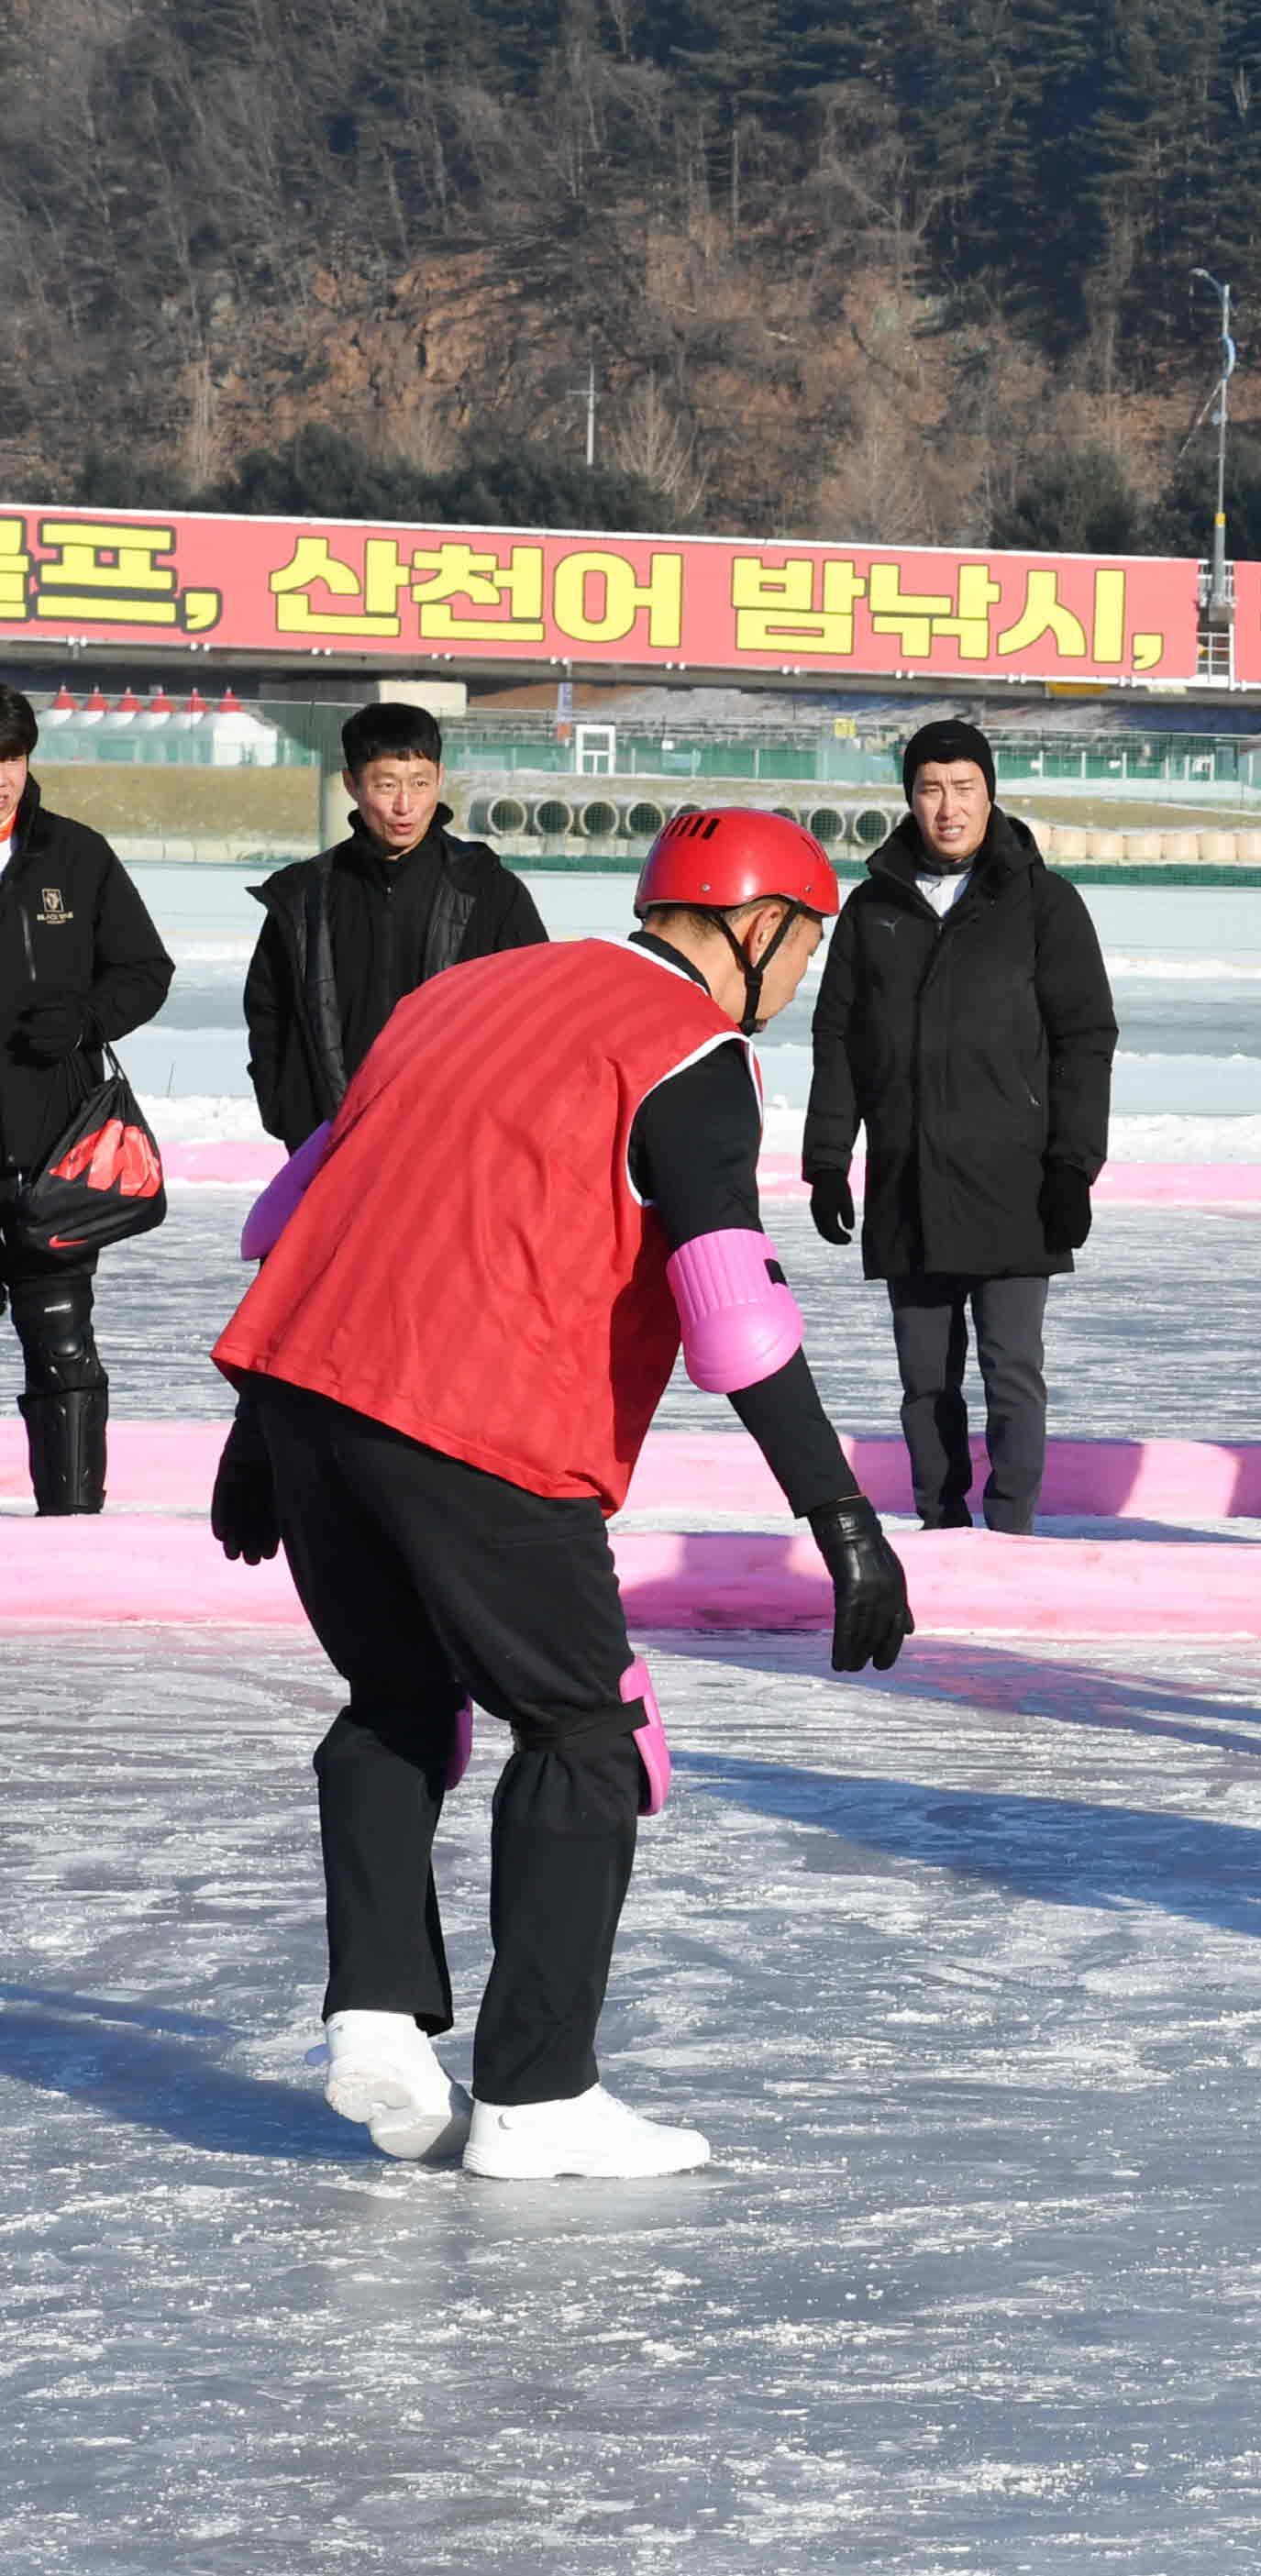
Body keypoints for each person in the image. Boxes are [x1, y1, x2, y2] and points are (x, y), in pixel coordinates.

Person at [211, 810, 915, 2181]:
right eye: (808, 947)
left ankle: (377, 2016)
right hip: (480, 1425)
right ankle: (538, 2095)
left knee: (397, 1699)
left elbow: (303, 1208)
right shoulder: (692, 1055)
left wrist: (259, 1430)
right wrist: (841, 1518)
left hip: (310, 1389)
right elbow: (733, 1315)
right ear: (757, 925)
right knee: (589, 1731)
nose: (802, 980)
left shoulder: (465, 991)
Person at [802, 718, 1119, 1533]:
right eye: (931, 790)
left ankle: (1011, 1529)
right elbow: (838, 1038)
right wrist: (828, 1160)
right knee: (924, 1381)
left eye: (964, 789)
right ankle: (940, 1527)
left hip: (1017, 1181)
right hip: (907, 1177)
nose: (948, 808)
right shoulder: (873, 907)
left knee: (1012, 1372)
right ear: (909, 798)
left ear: (990, 793)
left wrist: (1072, 1167)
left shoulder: (1045, 904)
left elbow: (1085, 1040)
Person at [0, 682, 171, 1517]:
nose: (1, 776)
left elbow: (145, 970)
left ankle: (72, 1523)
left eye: (12, 757)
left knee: (63, 1343)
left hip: (53, 1149)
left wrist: (85, 1021)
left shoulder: (77, 854)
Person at [241, 700, 548, 1152]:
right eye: (385, 785)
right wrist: (289, 1115)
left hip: (454, 1143)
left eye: (420, 783)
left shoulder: (489, 890)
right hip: (330, 1141)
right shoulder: (304, 897)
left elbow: (536, 1016)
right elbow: (268, 1014)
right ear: (352, 784)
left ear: (440, 778)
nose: (405, 806)